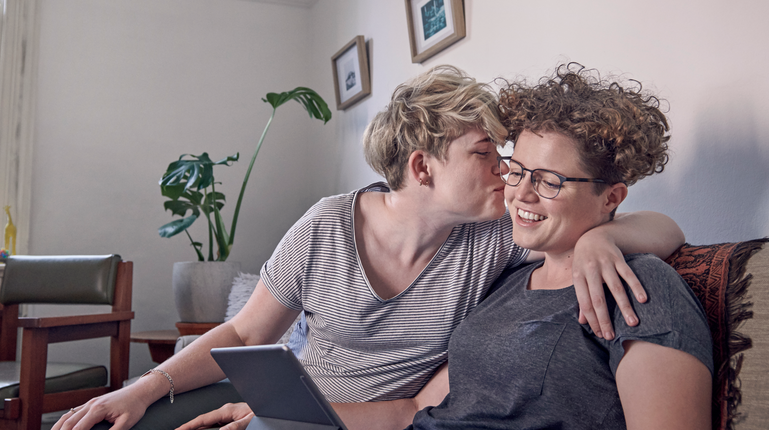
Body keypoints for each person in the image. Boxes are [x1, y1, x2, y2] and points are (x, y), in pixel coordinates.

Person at [55, 66, 685, 430]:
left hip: (360, 420)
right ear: (422, 166)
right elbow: (247, 336)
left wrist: (607, 233)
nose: (508, 174)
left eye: (515, 161)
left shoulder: (501, 236)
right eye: (489, 156)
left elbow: (658, 230)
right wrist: (138, 389)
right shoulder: (326, 225)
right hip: (290, 405)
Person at [407, 64, 714, 429]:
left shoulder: (640, 286)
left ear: (610, 198)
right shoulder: (508, 280)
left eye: (549, 181)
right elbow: (418, 406)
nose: (520, 194)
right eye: (517, 171)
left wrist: (602, 238)